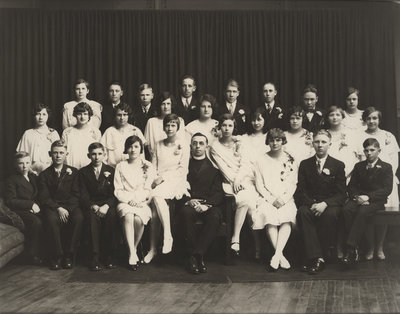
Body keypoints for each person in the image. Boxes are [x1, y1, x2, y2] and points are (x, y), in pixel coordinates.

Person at [295, 130, 346, 275]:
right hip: (311, 203)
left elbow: (341, 194)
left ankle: (316, 258)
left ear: (330, 144)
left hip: (329, 205)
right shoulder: (305, 164)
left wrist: (325, 204)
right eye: (317, 142)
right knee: (303, 212)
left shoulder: (338, 165)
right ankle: (316, 257)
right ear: (312, 143)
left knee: (330, 215)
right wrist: (312, 204)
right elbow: (300, 191)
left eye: (323, 142)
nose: (320, 145)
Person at [210, 113, 259, 256]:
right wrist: (234, 181)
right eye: (224, 125)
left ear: (234, 127)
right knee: (245, 200)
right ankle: (237, 238)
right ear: (219, 127)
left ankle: (255, 246)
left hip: (244, 179)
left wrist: (239, 180)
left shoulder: (240, 142)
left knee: (251, 209)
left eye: (230, 125)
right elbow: (223, 168)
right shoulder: (215, 146)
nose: (226, 128)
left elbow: (245, 164)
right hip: (228, 181)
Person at [144, 114, 190, 263]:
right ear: (163, 127)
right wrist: (153, 181)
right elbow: (153, 167)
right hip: (159, 182)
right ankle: (153, 248)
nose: (170, 128)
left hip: (176, 181)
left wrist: (164, 178)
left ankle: (167, 236)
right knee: (155, 213)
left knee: (156, 197)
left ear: (177, 127)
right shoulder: (158, 144)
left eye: (173, 125)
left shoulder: (183, 144)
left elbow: (183, 170)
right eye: (167, 125)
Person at [356, 107, 399, 260]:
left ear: (379, 120)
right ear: (365, 120)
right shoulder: (358, 135)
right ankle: (370, 247)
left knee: (383, 215)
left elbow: (394, 161)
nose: (372, 121)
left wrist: (383, 177)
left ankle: (380, 247)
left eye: (375, 118)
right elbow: (357, 160)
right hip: (365, 182)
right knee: (367, 214)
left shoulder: (389, 136)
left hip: (384, 182)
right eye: (369, 118)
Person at [341, 138, 393, 266]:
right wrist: (357, 197)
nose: (369, 153)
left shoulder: (386, 167)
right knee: (346, 209)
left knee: (363, 211)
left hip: (376, 201)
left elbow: (387, 189)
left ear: (379, 151)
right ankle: (356, 246)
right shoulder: (359, 166)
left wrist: (368, 197)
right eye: (366, 150)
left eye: (372, 150)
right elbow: (351, 186)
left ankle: (350, 248)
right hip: (359, 199)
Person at [253, 129, 297, 271]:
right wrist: (271, 199)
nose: (275, 143)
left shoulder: (290, 159)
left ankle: (276, 256)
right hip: (267, 198)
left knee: (287, 216)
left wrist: (283, 199)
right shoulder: (260, 160)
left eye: (278, 140)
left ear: (283, 141)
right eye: (272, 140)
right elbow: (259, 184)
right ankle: (280, 256)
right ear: (268, 142)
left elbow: (293, 183)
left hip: (286, 198)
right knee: (269, 216)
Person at [180, 133, 223, 274]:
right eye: (195, 143)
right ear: (190, 146)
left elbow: (218, 193)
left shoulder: (214, 169)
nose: (198, 146)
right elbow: (177, 186)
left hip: (207, 204)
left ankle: (196, 255)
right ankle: (196, 257)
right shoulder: (183, 167)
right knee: (185, 214)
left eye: (201, 143)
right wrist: (188, 200)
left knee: (215, 216)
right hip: (190, 203)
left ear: (206, 146)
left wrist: (206, 205)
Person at [38, 140, 83, 270]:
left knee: (78, 218)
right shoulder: (44, 175)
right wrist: (58, 208)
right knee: (51, 220)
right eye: (55, 153)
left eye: (61, 153)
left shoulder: (74, 172)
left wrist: (67, 209)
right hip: (53, 206)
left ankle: (69, 256)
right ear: (50, 154)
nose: (58, 156)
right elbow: (44, 197)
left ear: (66, 154)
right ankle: (56, 256)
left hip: (70, 205)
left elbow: (76, 194)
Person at [114, 136, 156, 270]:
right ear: (126, 149)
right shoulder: (120, 166)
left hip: (142, 201)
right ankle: (132, 254)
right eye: (130, 147)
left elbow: (148, 188)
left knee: (138, 220)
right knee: (129, 216)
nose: (133, 150)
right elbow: (118, 189)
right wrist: (129, 200)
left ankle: (133, 248)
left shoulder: (148, 165)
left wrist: (138, 200)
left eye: (136, 146)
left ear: (141, 149)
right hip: (125, 201)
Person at [78, 142, 118, 271]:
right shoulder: (83, 172)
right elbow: (83, 194)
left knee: (111, 216)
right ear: (88, 155)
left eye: (99, 154)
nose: (96, 157)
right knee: (91, 219)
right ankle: (94, 257)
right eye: (93, 154)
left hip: (107, 204)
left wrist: (106, 206)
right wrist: (92, 205)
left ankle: (108, 256)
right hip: (92, 205)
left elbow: (114, 193)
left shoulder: (111, 171)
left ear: (104, 155)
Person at [5, 152, 43, 265]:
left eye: (27, 162)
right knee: (36, 222)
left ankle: (48, 252)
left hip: (35, 208)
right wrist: (30, 205)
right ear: (15, 165)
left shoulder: (33, 177)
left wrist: (36, 206)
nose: (25, 166)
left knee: (50, 217)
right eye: (21, 163)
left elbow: (39, 194)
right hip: (19, 209)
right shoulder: (11, 180)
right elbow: (10, 201)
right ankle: (32, 254)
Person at [16, 103, 60, 174]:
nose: (41, 117)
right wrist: (30, 170)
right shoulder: (28, 133)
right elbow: (21, 156)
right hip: (32, 172)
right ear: (34, 116)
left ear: (48, 116)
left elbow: (59, 154)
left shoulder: (53, 133)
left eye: (44, 114)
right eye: (38, 114)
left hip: (50, 172)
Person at [101, 103, 146, 167]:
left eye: (125, 115)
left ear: (129, 116)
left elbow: (141, 154)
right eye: (119, 115)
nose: (122, 118)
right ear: (115, 116)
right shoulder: (109, 131)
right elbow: (103, 154)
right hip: (113, 169)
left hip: (132, 168)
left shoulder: (135, 131)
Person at [144, 92, 185, 157]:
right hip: (156, 157)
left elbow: (182, 141)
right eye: (163, 104)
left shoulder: (179, 120)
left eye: (168, 104)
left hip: (174, 157)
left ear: (172, 105)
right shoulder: (152, 122)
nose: (166, 107)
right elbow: (147, 144)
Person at [62, 102, 101, 169]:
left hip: (89, 169)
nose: (82, 117)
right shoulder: (67, 132)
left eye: (85, 114)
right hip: (72, 168)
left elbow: (98, 152)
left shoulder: (95, 132)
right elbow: (63, 152)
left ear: (89, 115)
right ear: (75, 115)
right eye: (79, 114)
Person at [324, 106, 359, 180]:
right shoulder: (324, 135)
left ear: (342, 117)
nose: (334, 117)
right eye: (331, 115)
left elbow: (356, 155)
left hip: (349, 173)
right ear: (327, 118)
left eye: (337, 115)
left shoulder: (351, 134)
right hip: (328, 174)